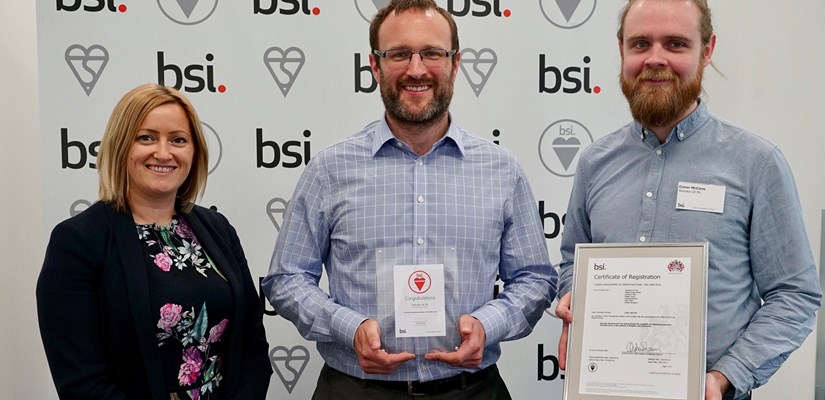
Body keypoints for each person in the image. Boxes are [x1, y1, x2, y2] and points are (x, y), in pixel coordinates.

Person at [262, 0, 556, 398]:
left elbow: (535, 278)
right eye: (399, 54)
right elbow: (286, 278)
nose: (416, 70)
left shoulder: (502, 169)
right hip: (355, 389)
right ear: (374, 65)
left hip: (472, 390)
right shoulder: (330, 169)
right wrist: (346, 328)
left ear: (455, 63)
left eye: (432, 53)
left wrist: (490, 323)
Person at [554, 1, 822, 400]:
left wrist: (724, 377)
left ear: (707, 50)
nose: (655, 59)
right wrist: (574, 296)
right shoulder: (595, 161)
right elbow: (572, 261)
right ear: (621, 49)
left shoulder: (756, 163)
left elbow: (795, 295)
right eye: (640, 43)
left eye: (676, 44)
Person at [36, 83, 272, 399]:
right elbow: (82, 383)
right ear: (121, 146)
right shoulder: (77, 242)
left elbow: (252, 345)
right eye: (146, 137)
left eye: (178, 140)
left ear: (194, 152)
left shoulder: (218, 229)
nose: (163, 152)